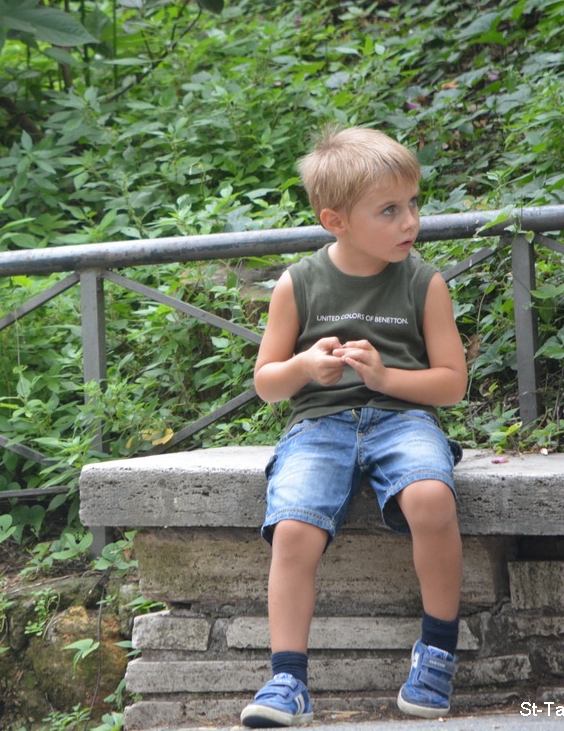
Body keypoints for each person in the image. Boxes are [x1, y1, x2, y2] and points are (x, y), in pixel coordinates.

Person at [239, 126, 469, 728]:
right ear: (335, 221)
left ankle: (438, 652)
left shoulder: (423, 282)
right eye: (389, 210)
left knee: (431, 497)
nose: (410, 221)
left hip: (404, 419)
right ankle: (288, 679)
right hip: (319, 425)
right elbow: (266, 383)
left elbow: (452, 384)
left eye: (413, 203)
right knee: (293, 528)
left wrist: (387, 377)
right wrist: (303, 367)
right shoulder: (299, 283)